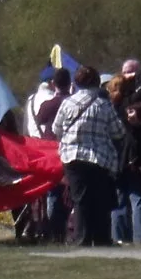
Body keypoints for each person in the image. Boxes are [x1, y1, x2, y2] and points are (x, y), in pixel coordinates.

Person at [50, 66, 124, 247]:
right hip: (99, 158)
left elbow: (55, 129)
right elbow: (118, 131)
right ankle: (101, 239)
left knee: (79, 199)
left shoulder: (68, 103)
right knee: (100, 199)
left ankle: (81, 238)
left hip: (72, 157)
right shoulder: (103, 104)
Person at [115, 59, 141, 244]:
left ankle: (119, 237)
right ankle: (139, 238)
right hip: (131, 152)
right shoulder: (125, 100)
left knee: (121, 198)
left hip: (119, 154)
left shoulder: (112, 100)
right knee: (135, 197)